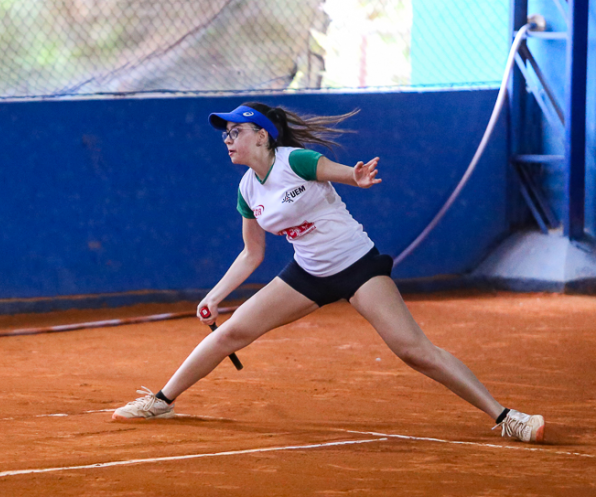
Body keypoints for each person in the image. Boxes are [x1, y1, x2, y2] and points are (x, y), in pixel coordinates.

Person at [111, 102, 545, 444]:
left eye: (236, 131)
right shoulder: (247, 189)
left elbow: (338, 173)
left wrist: (355, 175)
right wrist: (215, 296)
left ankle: (507, 417)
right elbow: (251, 254)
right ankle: (161, 400)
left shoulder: (294, 161)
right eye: (226, 133)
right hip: (308, 274)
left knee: (413, 350)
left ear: (261, 134)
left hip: (358, 267)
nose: (228, 139)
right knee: (228, 334)